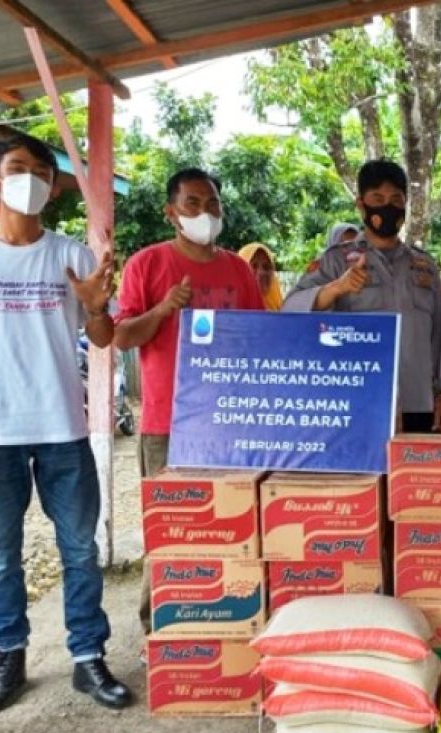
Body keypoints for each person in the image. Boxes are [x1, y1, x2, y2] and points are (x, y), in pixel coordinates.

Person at [0, 134, 132, 712]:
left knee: (80, 550)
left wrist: (93, 305)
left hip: (62, 424)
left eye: (42, 171)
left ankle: (88, 659)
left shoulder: (73, 255)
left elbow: (104, 338)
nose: (31, 179)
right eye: (18, 169)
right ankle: (8, 657)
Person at [114, 168, 265, 634]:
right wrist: (163, 310)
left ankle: (227, 621)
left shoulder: (237, 269)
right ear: (171, 212)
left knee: (231, 526)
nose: (205, 212)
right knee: (169, 529)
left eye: (213, 203)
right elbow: (121, 337)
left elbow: (260, 338)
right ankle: (160, 631)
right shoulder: (146, 264)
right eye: (193, 203)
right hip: (168, 423)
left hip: (229, 423)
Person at [284, 159, 441, 433]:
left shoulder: (424, 266)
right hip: (355, 401)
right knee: (363, 478)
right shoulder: (336, 261)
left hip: (416, 402)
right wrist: (336, 288)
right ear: (361, 204)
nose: (387, 206)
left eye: (396, 199)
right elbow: (289, 311)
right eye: (377, 198)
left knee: (415, 477)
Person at [239, 242, 282, 311]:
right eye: (253, 266)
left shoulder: (282, 312)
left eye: (266, 267)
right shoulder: (227, 310)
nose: (261, 272)